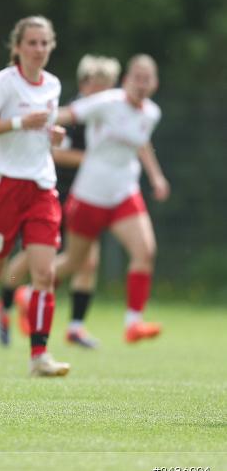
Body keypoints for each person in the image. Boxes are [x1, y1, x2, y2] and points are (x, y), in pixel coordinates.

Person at [0, 15, 70, 377]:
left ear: (51, 47)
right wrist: (21, 123)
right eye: (32, 43)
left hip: (41, 188)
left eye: (44, 43)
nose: (38, 49)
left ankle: (39, 357)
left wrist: (53, 136)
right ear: (17, 47)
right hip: (3, 187)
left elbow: (42, 130)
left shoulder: (52, 85)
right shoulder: (3, 84)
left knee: (45, 274)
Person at [0, 55, 121, 349]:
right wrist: (93, 160)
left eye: (110, 89)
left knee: (89, 260)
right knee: (36, 255)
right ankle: (8, 300)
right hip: (56, 190)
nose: (105, 95)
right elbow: (54, 152)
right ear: (85, 85)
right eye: (100, 88)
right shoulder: (73, 117)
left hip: (89, 193)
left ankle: (75, 326)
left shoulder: (106, 117)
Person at [50, 54, 169, 343]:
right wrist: (25, 121)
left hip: (124, 193)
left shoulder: (151, 113)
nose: (141, 84)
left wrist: (156, 176)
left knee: (145, 252)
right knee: (74, 263)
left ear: (154, 83)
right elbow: (66, 114)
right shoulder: (107, 102)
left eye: (147, 78)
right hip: (89, 194)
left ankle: (133, 323)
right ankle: (29, 292)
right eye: (137, 77)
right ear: (126, 80)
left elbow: (142, 143)